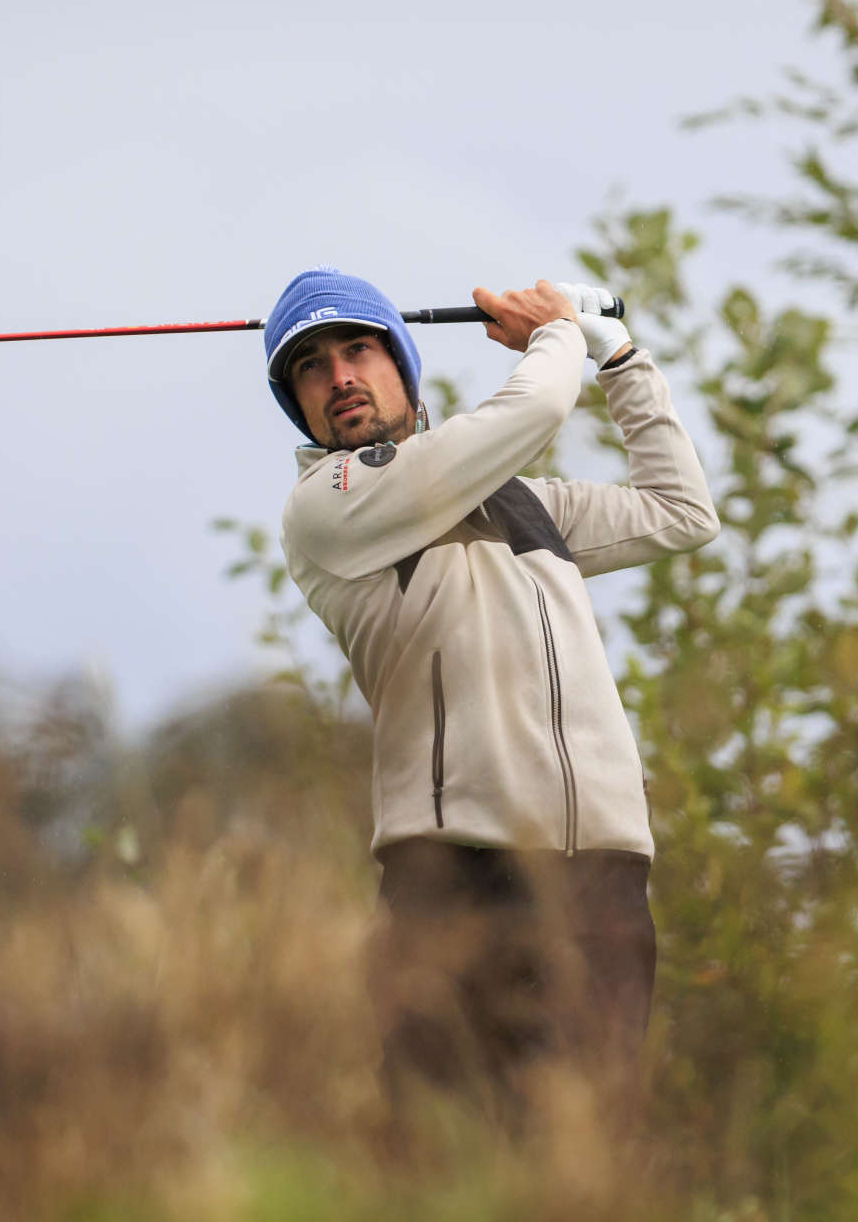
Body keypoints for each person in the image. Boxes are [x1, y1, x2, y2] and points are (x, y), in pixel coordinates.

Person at [264, 267, 720, 1123]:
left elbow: (681, 508)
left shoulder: (523, 504)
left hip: (601, 883)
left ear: (402, 364)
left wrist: (619, 356)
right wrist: (559, 331)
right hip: (456, 876)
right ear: (300, 405)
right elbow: (536, 412)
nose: (341, 379)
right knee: (450, 1169)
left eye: (358, 350)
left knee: (586, 1165)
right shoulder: (328, 508)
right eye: (312, 369)